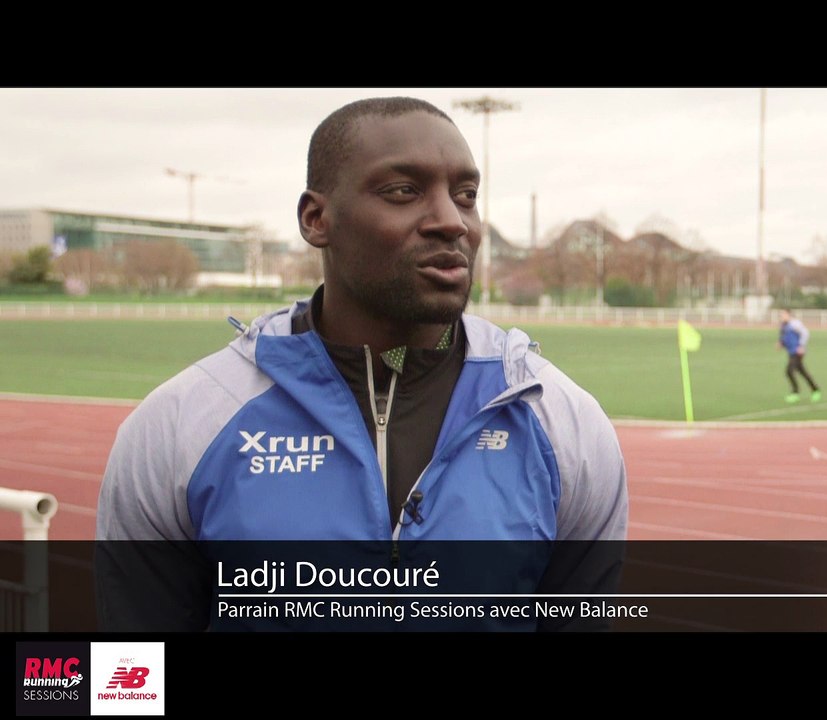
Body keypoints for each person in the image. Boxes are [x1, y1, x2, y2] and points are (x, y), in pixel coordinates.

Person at [96, 97, 629, 630]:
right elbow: (129, 680)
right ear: (316, 218)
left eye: (466, 196)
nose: (451, 222)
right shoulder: (182, 425)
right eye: (404, 192)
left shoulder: (563, 425)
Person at [778, 308, 820, 403]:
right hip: (791, 352)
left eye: (783, 315)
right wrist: (781, 343)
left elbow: (805, 333)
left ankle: (795, 393)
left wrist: (801, 346)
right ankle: (815, 390)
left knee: (789, 371)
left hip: (797, 352)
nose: (781, 317)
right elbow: (785, 337)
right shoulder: (783, 326)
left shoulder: (794, 324)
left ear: (789, 315)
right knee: (802, 372)